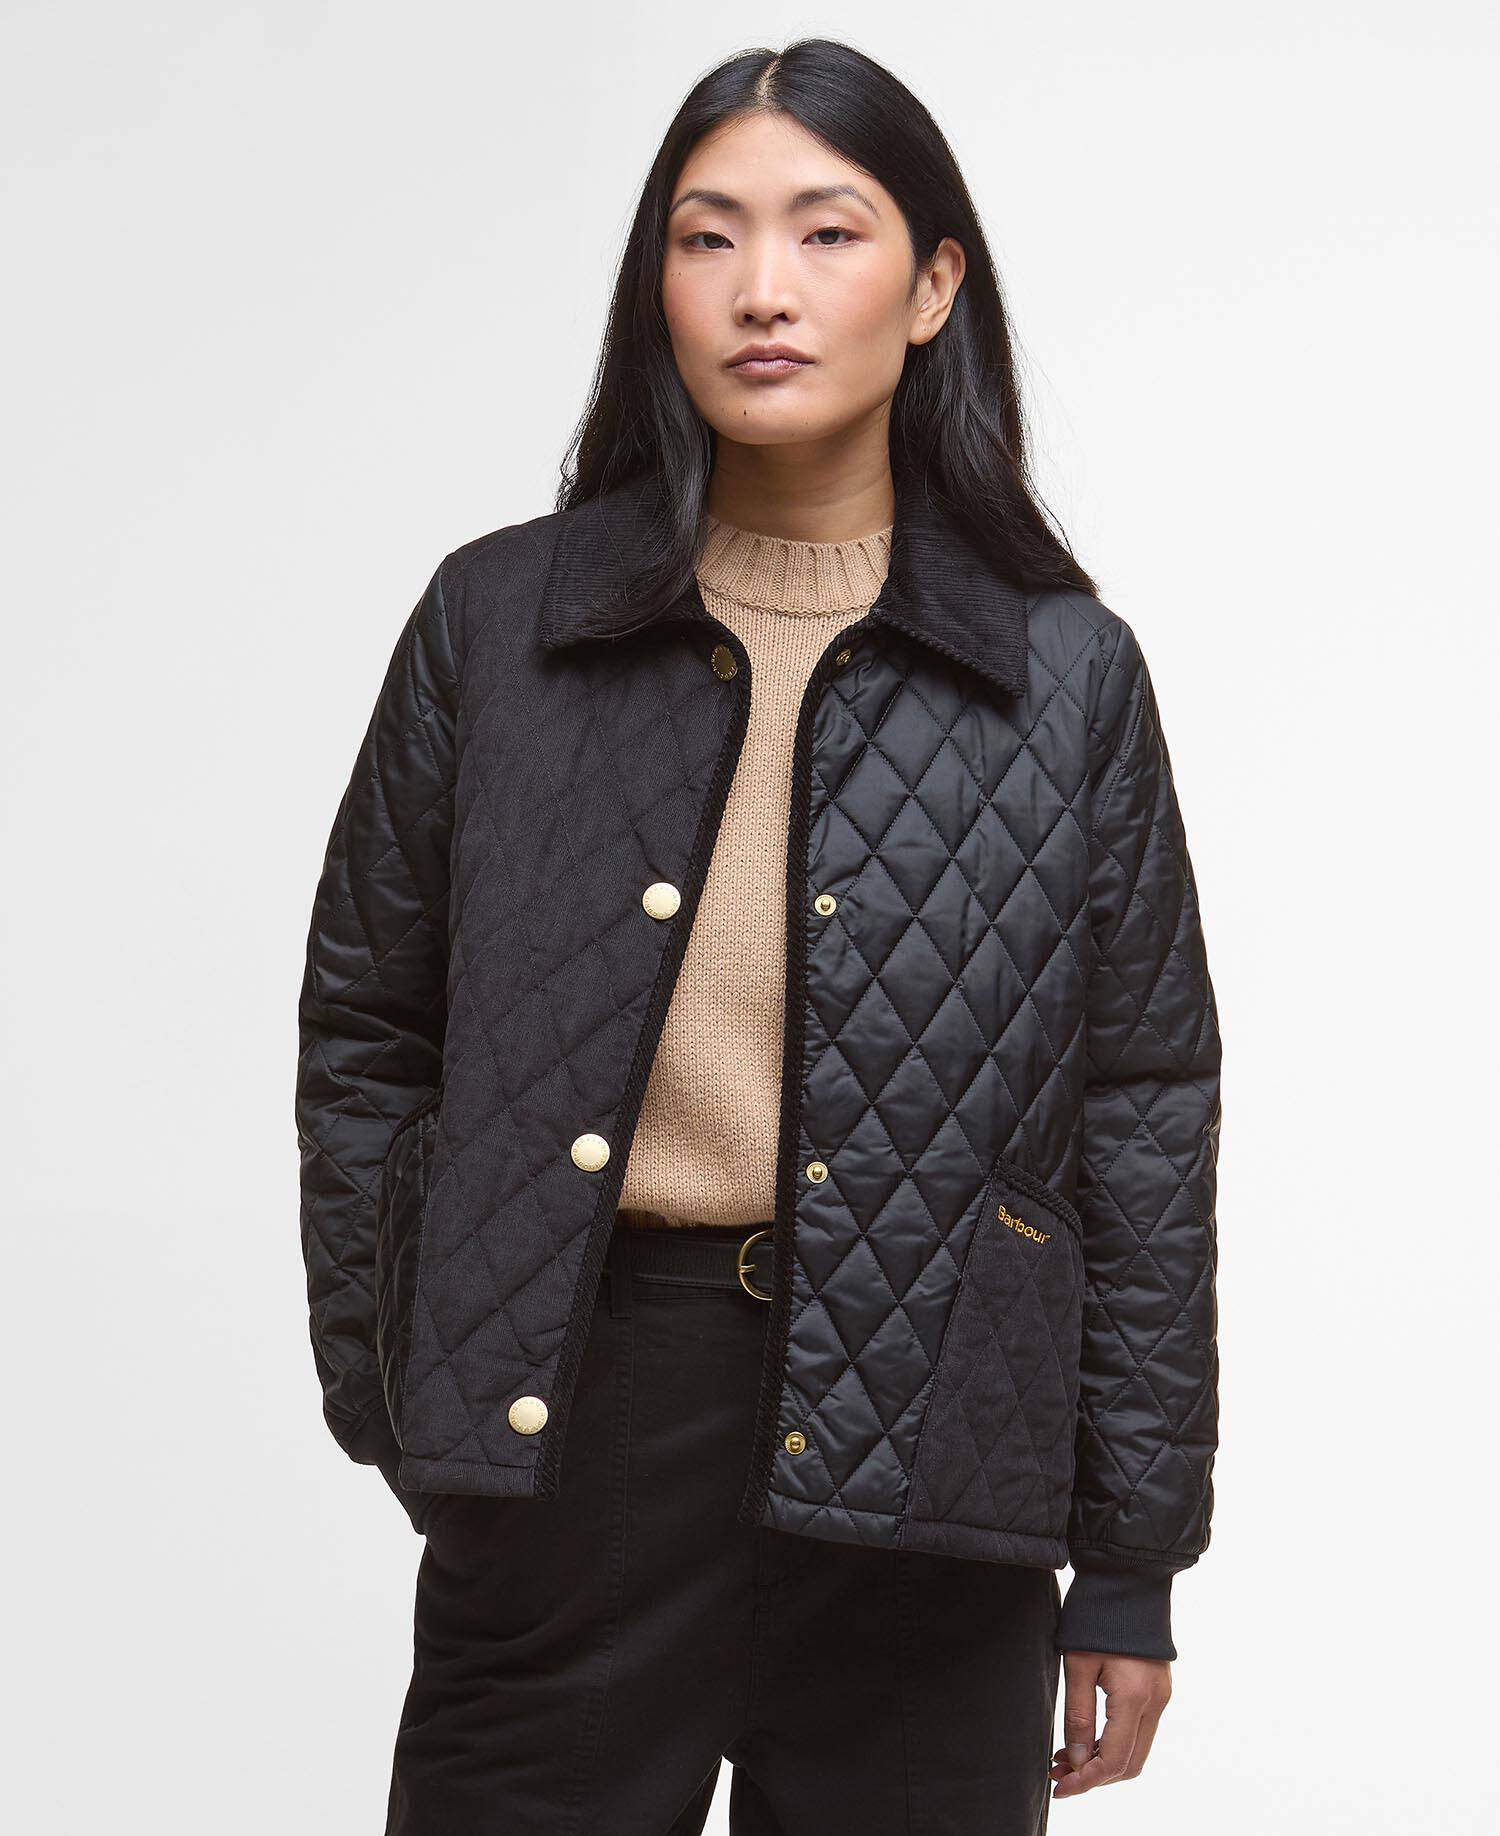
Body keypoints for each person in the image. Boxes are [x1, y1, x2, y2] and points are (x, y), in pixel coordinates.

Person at [295, 37, 1222, 1836]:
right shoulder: (499, 624)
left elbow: (1142, 1115)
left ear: (934, 287)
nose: (763, 291)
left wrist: (1128, 1561)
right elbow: (368, 1036)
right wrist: (414, 1400)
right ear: (657, 283)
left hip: (940, 1469)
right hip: (580, 1436)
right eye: (708, 237)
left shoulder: (1063, 674)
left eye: (827, 232)